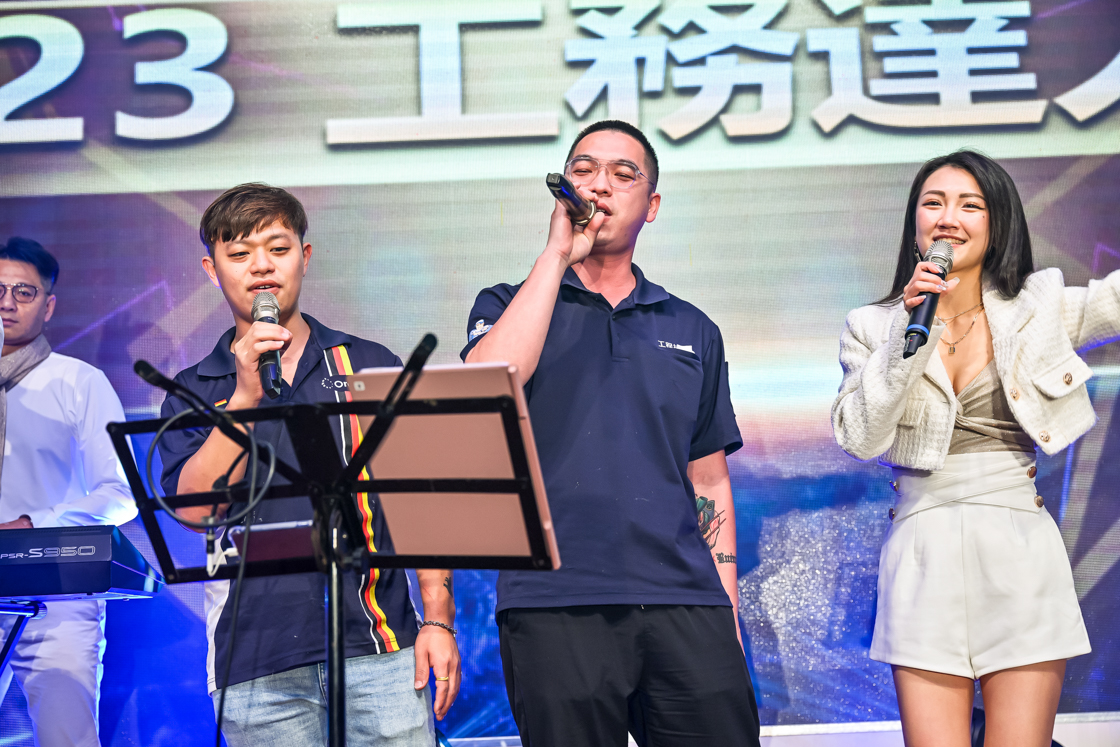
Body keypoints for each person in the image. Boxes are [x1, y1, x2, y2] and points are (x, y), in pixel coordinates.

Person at [462, 120, 760, 747]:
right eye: (583, 170)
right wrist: (555, 257)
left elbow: (708, 479)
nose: (599, 185)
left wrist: (725, 607)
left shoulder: (691, 327)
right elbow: (489, 385)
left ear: (651, 206)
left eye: (623, 175)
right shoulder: (507, 303)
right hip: (554, 599)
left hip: (686, 599)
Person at [156, 184, 460, 746]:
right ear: (211, 270)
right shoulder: (193, 389)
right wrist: (244, 397)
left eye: (278, 248)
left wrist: (438, 619)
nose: (261, 267)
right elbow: (196, 511)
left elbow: (420, 505)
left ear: (305, 256)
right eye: (239, 253)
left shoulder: (369, 363)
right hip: (255, 663)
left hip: (382, 648)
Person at [831, 150, 1114, 747]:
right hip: (921, 547)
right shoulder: (872, 326)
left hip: (1018, 545)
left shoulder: (1039, 306)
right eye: (933, 203)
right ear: (914, 222)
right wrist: (909, 329)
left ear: (997, 221)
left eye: (970, 205)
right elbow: (859, 436)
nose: (948, 218)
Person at [0, 237, 137, 747]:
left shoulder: (80, 382)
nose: (8, 302)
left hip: (55, 590)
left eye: (24, 291)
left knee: (67, 739)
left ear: (49, 305)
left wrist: (32, 526)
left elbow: (121, 493)